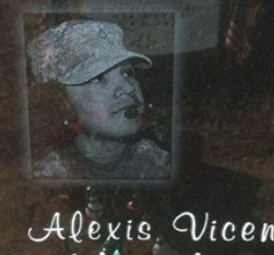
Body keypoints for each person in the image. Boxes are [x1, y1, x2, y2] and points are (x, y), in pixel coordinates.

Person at [26, 20, 170, 180]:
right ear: (62, 101)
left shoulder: (160, 162)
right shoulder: (49, 178)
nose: (128, 88)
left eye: (127, 73)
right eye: (97, 78)